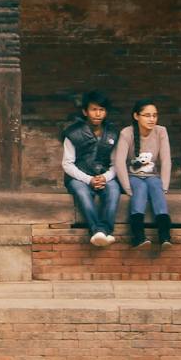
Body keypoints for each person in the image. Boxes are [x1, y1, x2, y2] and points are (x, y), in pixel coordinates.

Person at [60, 91, 119, 246]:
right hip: (79, 177)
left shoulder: (112, 133)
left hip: (104, 176)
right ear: (85, 111)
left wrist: (105, 177)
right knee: (82, 192)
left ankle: (103, 231)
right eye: (94, 109)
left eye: (102, 110)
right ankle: (97, 231)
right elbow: (67, 164)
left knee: (114, 191)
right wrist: (88, 179)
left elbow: (116, 163)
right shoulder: (73, 133)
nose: (98, 114)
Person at [112, 98, 173, 248]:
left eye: (154, 115)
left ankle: (165, 236)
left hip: (152, 176)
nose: (152, 119)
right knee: (140, 189)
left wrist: (164, 186)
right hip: (133, 177)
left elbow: (166, 160)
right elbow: (119, 162)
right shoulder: (127, 133)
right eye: (147, 115)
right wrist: (127, 188)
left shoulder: (161, 131)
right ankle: (139, 236)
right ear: (136, 116)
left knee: (156, 188)